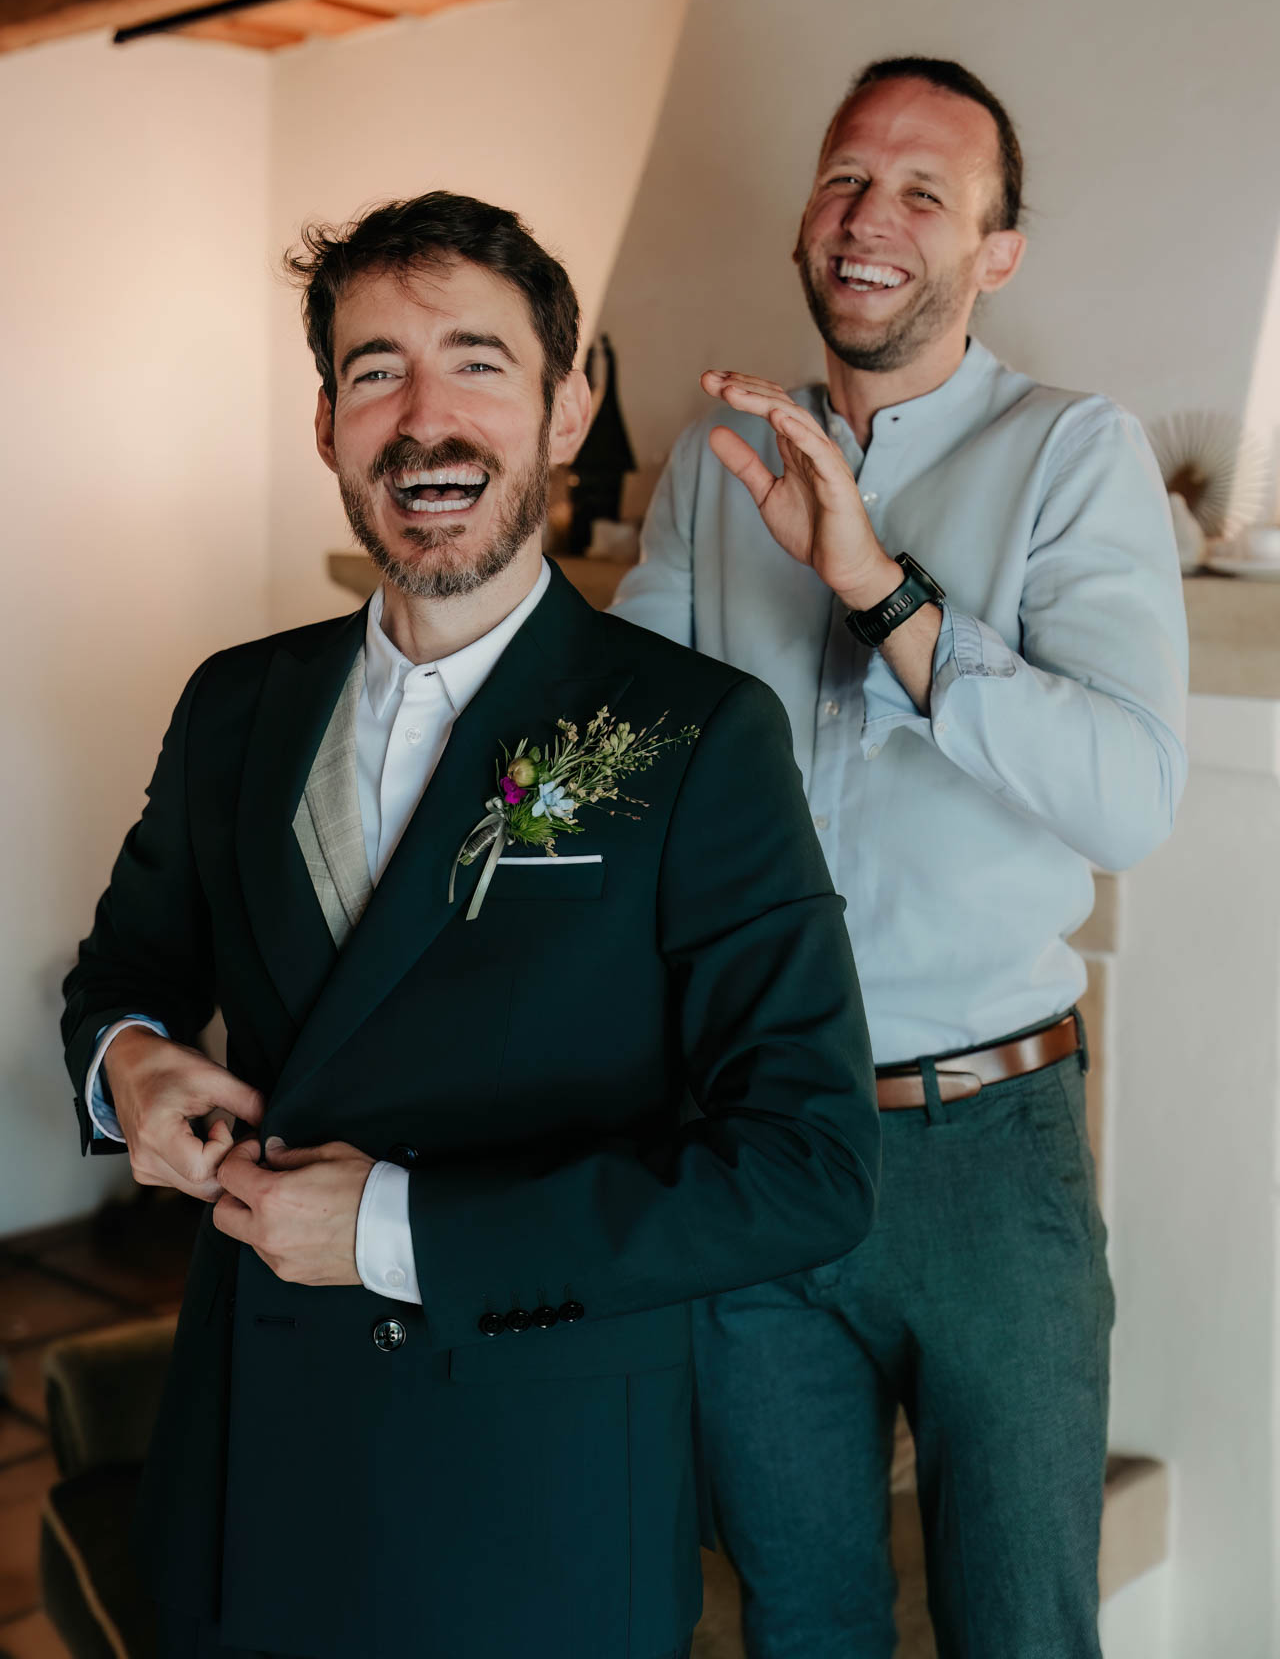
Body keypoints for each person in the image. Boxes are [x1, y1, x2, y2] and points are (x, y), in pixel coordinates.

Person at [61, 192, 880, 1659]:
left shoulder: (695, 734)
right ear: (328, 425)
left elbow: (805, 1168)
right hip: (247, 1470)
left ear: (569, 410)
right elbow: (125, 973)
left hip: (529, 1505)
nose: (424, 421)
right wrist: (127, 1062)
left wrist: (397, 1227)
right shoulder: (235, 705)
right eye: (377, 371)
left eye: (478, 363)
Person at [612, 56, 1188, 1658]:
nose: (871, 216)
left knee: (1021, 1629)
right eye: (847, 178)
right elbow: (621, 760)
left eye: (926, 192)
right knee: (799, 1626)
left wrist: (880, 590)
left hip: (984, 1155)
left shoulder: (1075, 453)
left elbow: (1131, 798)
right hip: (750, 1133)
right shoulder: (712, 466)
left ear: (997, 252)